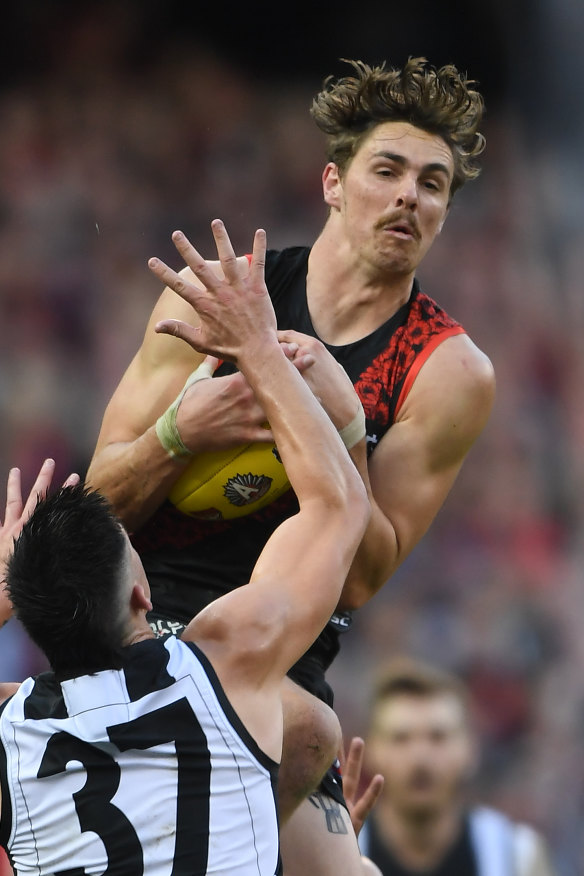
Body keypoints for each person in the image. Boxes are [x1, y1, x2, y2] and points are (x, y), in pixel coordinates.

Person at [86, 57, 496, 872]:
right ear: (334, 184)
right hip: (134, 627)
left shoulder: (448, 371)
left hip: (285, 666)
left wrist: (340, 421)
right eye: (387, 170)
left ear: (446, 211)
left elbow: (362, 576)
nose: (409, 195)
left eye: (433, 183)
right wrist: (178, 434)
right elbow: (91, 512)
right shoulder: (217, 299)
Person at [0, 223, 379, 874]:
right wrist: (259, 349)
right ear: (143, 592)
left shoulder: (12, 730)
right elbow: (338, 507)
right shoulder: (230, 666)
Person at [358, 657, 557, 876]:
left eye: (438, 737)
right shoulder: (341, 853)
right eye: (401, 738)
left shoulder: (516, 857)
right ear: (371, 750)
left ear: (470, 748)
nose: (420, 757)